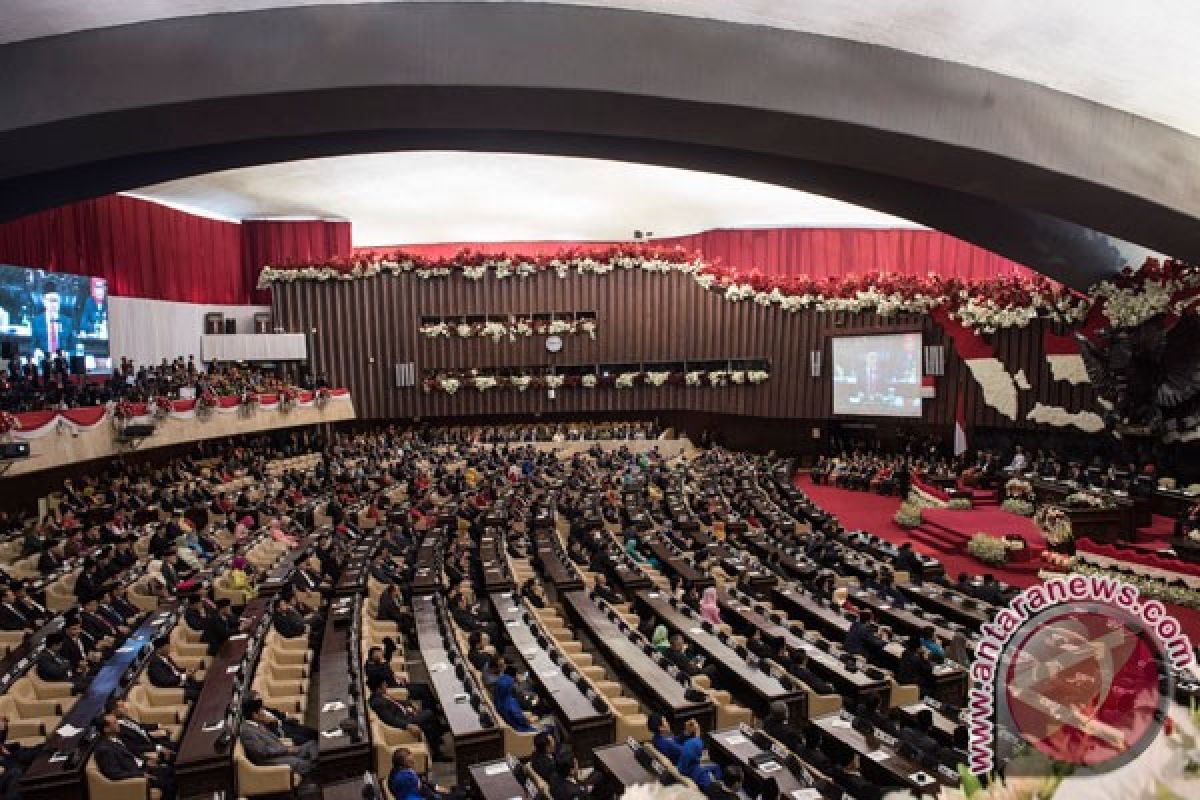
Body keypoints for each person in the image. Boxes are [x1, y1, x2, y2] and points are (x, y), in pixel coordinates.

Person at [93, 712, 176, 800]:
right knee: (169, 782)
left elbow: (131, 752)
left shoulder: (115, 737)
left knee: (172, 771)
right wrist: (140, 774)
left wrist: (145, 760)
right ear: (106, 729)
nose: (119, 724)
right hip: (136, 776)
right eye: (115, 723)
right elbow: (115, 773)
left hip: (141, 767)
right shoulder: (104, 749)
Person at [239, 697, 318, 778]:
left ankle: (317, 762)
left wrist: (287, 748)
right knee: (304, 764)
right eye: (261, 710)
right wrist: (286, 750)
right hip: (272, 759)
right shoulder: (247, 732)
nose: (264, 712)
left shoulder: (257, 724)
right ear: (255, 715)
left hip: (282, 752)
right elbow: (262, 751)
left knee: (312, 744)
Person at [147, 636, 202, 701]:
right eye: (167, 647)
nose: (169, 649)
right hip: (173, 688)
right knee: (199, 694)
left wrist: (187, 670)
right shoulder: (155, 665)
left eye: (169, 646)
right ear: (159, 650)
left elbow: (176, 669)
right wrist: (184, 676)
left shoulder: (165, 657)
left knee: (203, 685)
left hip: (181, 681)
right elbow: (166, 681)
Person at [675, 718, 722, 790]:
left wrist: (691, 732)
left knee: (716, 766)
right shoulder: (702, 775)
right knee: (717, 767)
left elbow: (680, 742)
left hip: (691, 769)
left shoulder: (681, 763)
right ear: (698, 755)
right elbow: (711, 789)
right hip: (708, 784)